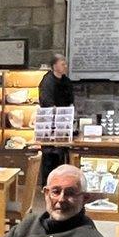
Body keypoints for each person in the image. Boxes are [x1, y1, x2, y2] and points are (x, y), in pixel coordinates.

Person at [39, 53, 74, 183]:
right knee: (50, 157)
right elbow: (46, 102)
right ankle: (48, 184)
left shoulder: (66, 81)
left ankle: (61, 183)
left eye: (65, 64)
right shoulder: (47, 81)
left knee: (61, 155)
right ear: (54, 66)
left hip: (63, 123)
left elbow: (70, 100)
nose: (65, 66)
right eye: (62, 64)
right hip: (50, 124)